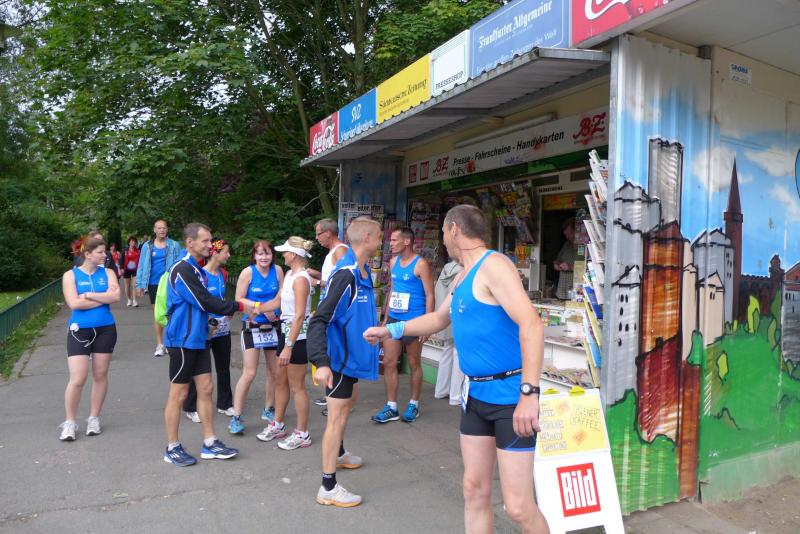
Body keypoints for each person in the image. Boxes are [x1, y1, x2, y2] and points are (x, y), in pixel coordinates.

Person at [363, 205, 549, 533]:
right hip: (475, 396)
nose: (444, 241)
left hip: (510, 398)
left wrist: (529, 393)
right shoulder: (464, 274)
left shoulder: (493, 265)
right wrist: (390, 330)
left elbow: (532, 324)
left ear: (454, 230)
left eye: (444, 233)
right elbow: (438, 318)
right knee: (473, 491)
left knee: (519, 507)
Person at [162, 223, 257, 467]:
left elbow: (203, 307)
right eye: (204, 241)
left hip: (200, 337)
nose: (209, 245)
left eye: (210, 240)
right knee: (179, 394)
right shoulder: (182, 269)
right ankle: (172, 447)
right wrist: (239, 305)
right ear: (190, 243)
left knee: (205, 388)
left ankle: (210, 442)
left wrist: (212, 322)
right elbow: (204, 301)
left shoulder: (197, 269)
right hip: (182, 340)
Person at [307, 217, 382, 508]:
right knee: (336, 418)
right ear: (366, 237)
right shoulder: (346, 274)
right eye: (379, 236)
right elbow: (319, 320)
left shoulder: (362, 270)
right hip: (338, 360)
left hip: (351, 359)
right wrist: (322, 362)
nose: (382, 241)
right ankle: (328, 486)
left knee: (349, 404)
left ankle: (338, 454)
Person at [59, 236, 121, 441]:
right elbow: (74, 304)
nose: (105, 255)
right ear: (87, 254)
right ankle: (69, 422)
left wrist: (88, 295)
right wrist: (103, 298)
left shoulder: (108, 273)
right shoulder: (70, 276)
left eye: (105, 252)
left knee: (100, 375)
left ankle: (93, 418)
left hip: (105, 329)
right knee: (77, 378)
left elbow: (116, 297)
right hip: (79, 330)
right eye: (100, 252)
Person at [256, 237, 314, 449]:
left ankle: (302, 433)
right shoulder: (289, 274)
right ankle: (278, 424)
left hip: (298, 337)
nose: (283, 255)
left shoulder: (301, 279)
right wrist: (252, 307)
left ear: (295, 255)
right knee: (280, 380)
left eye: (286, 252)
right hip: (285, 331)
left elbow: (299, 316)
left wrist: (289, 346)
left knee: (297, 386)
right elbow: (276, 302)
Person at [372, 227, 434, 424]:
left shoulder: (420, 264)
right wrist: (385, 317)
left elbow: (430, 295)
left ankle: (413, 404)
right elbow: (392, 290)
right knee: (389, 362)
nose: (390, 243)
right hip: (394, 320)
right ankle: (391, 407)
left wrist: (428, 323)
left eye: (394, 240)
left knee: (414, 362)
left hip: (414, 321)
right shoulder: (393, 262)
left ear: (406, 241)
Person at [228, 240, 283, 434]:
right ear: (254, 256)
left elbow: (282, 295)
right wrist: (261, 308)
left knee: (274, 371)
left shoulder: (278, 271)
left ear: (272, 255)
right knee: (249, 373)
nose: (264, 257)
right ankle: (236, 416)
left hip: (273, 326)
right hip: (252, 327)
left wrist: (275, 310)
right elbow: (239, 298)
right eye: (260, 254)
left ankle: (268, 409)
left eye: (267, 253)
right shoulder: (248, 272)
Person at [183, 238, 235, 423]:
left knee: (223, 366)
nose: (229, 255)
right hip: (205, 328)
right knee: (198, 368)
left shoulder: (223, 274)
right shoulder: (200, 275)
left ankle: (225, 403)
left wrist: (227, 313)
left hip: (223, 328)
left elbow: (221, 299)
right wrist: (210, 320)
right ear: (215, 253)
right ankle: (190, 407)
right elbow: (199, 302)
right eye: (226, 251)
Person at [309, 218, 350, 410]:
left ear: (328, 233)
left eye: (318, 234)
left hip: (335, 312)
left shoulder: (341, 251)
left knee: (335, 353)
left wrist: (317, 283)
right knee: (331, 352)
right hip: (328, 307)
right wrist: (317, 275)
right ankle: (332, 396)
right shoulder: (333, 253)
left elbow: (342, 283)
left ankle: (341, 400)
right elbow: (332, 278)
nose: (316, 238)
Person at [136, 220, 182, 357]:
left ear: (167, 229)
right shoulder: (147, 246)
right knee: (158, 314)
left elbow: (180, 264)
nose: (162, 230)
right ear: (154, 230)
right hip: (153, 284)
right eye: (159, 228)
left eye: (164, 228)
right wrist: (139, 285)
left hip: (170, 283)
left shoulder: (174, 245)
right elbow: (141, 265)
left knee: (171, 313)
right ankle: (160, 344)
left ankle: (169, 342)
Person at [433, 260, 464, 405]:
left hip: (444, 315)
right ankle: (456, 395)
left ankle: (441, 390)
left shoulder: (446, 269)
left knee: (446, 351)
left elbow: (438, 293)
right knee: (458, 353)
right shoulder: (463, 272)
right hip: (458, 315)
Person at [554, 218, 576, 300]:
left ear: (577, 231)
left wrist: (571, 267)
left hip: (577, 292)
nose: (567, 237)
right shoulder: (567, 244)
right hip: (562, 292)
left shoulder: (585, 245)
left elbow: (590, 267)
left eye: (570, 234)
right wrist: (556, 265)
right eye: (566, 234)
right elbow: (557, 260)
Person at [122, 236, 140, 307]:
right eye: (132, 241)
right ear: (129, 242)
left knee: (134, 285)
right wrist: (121, 268)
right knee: (127, 286)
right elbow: (122, 260)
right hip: (126, 269)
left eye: (134, 241)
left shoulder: (138, 251)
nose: (133, 242)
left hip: (135, 269)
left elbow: (140, 260)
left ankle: (134, 300)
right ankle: (129, 300)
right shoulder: (125, 251)